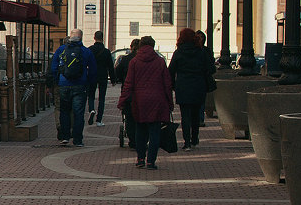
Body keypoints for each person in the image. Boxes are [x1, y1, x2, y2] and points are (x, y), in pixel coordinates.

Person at [117, 35, 173, 170]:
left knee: (140, 130)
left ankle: (140, 159)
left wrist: (122, 100)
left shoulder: (134, 62)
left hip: (139, 101)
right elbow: (167, 83)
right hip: (157, 100)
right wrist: (169, 103)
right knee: (155, 131)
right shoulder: (160, 61)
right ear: (153, 45)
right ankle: (151, 161)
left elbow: (128, 83)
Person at [48, 29, 97, 147]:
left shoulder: (61, 50)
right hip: (80, 85)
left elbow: (53, 68)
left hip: (63, 85)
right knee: (78, 113)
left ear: (70, 37)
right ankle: (77, 139)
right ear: (81, 38)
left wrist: (56, 81)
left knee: (64, 111)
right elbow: (93, 70)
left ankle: (65, 137)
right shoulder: (86, 51)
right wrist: (89, 83)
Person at [168, 27, 215, 150]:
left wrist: (173, 84)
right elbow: (211, 69)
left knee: (185, 115)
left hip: (183, 86)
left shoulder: (178, 53)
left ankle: (186, 142)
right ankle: (194, 139)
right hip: (199, 85)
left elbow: (171, 71)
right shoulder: (201, 52)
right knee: (195, 114)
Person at [87, 30, 116, 126]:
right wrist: (113, 79)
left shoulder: (90, 50)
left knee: (91, 95)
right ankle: (99, 120)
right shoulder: (106, 52)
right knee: (102, 98)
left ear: (94, 38)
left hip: (91, 75)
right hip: (103, 76)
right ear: (102, 38)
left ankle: (91, 109)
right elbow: (110, 67)